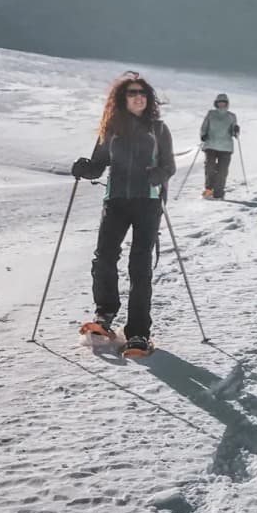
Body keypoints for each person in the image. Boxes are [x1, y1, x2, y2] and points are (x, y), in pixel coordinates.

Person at [70, 73, 176, 355]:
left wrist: (158, 175)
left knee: (139, 266)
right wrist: (84, 168)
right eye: (132, 92)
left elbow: (169, 166)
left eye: (142, 92)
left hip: (147, 202)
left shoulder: (159, 129)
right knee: (104, 258)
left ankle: (138, 332)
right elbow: (98, 166)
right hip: (115, 200)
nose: (138, 96)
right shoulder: (110, 129)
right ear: (122, 98)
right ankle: (104, 316)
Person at [200, 92, 240, 199]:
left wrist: (236, 131)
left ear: (227, 104)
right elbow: (204, 126)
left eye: (223, 103)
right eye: (219, 103)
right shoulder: (211, 114)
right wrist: (203, 135)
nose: (221, 105)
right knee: (210, 167)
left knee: (222, 171)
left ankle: (218, 193)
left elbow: (233, 132)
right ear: (216, 104)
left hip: (226, 147)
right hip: (211, 144)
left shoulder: (231, 116)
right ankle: (208, 190)